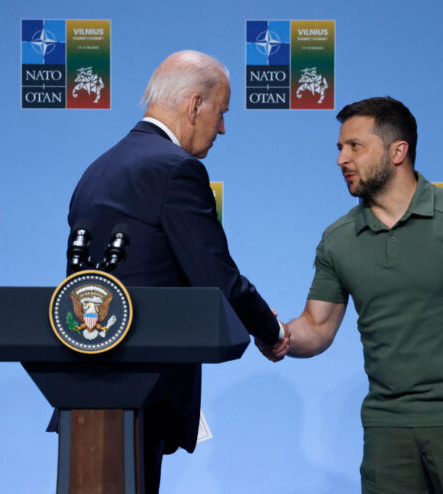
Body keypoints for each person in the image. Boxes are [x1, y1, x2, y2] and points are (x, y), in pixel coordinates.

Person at [259, 97, 443, 493]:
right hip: (387, 431)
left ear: (398, 151)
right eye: (339, 148)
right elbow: (317, 325)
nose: (341, 159)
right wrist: (279, 335)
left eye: (355, 146)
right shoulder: (338, 239)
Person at [66, 50, 283, 493]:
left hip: (85, 389)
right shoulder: (177, 169)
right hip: (143, 387)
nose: (222, 128)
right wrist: (271, 329)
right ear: (195, 105)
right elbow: (216, 276)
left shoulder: (96, 169)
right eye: (221, 113)